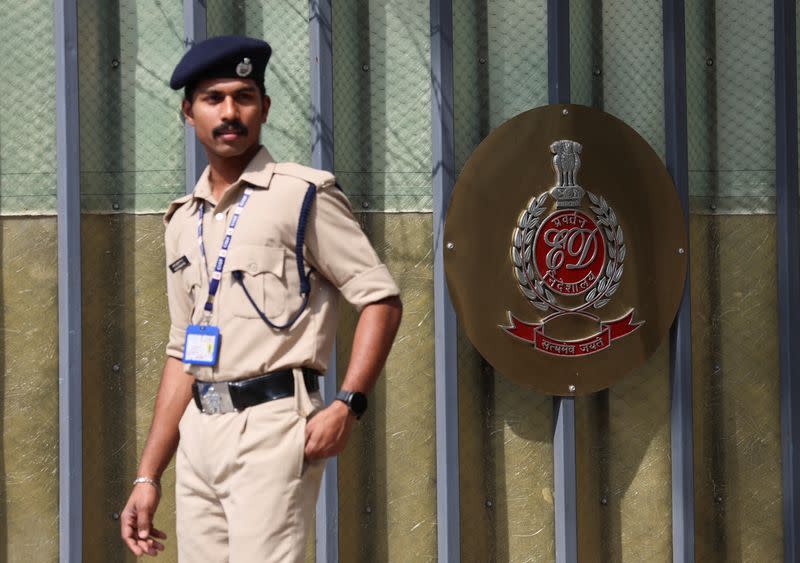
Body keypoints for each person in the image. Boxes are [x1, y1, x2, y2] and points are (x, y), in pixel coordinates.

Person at [120, 35, 403, 562]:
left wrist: (348, 404)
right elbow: (183, 351)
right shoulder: (183, 219)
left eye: (244, 97)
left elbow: (380, 299)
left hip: (274, 424)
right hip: (199, 433)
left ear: (264, 107)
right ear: (189, 114)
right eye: (214, 98)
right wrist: (148, 474)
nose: (230, 112)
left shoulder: (302, 195)